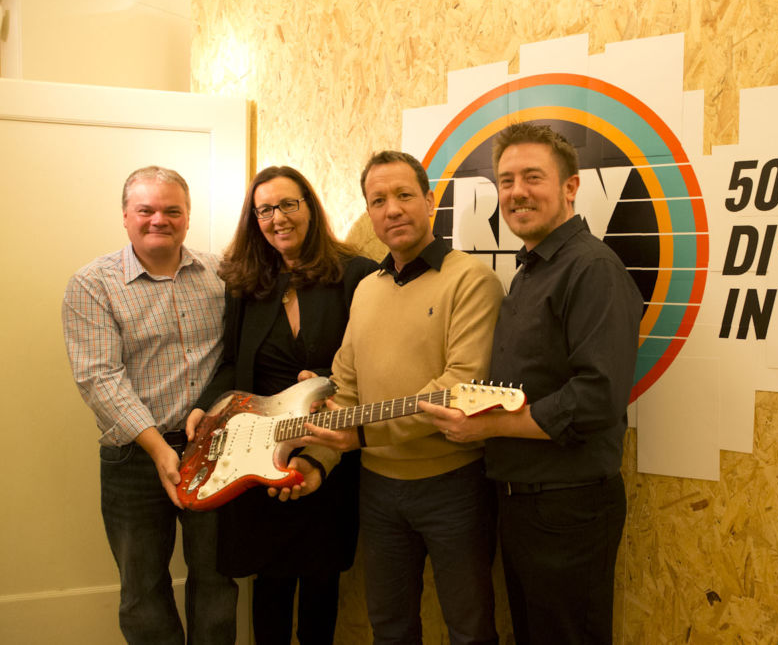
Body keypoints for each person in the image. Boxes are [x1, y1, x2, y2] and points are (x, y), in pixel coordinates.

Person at [420, 122, 644, 645]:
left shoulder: (591, 269)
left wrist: (489, 428)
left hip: (568, 507)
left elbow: (596, 398)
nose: (516, 191)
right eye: (506, 180)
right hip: (523, 504)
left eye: (533, 177)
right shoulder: (532, 270)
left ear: (571, 187)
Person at [302, 151, 504, 645]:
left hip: (454, 485)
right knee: (389, 628)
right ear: (369, 214)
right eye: (378, 200)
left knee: (470, 628)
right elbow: (345, 385)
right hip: (376, 490)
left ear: (430, 201)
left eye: (404, 195)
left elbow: (458, 386)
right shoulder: (366, 289)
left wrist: (363, 433)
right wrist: (318, 458)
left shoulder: (471, 280)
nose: (392, 209)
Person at [186, 166, 377, 644]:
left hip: (324, 453)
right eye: (265, 209)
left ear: (309, 208)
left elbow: (372, 363)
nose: (277, 218)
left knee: (320, 585)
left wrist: (330, 385)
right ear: (255, 219)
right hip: (258, 454)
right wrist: (207, 406)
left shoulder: (355, 275)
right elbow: (232, 363)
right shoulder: (247, 282)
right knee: (268, 589)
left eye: (288, 205)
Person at [61, 166, 238, 644]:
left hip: (216, 452)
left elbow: (236, 356)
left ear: (187, 217)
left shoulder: (221, 274)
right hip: (134, 459)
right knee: (142, 590)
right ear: (125, 216)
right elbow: (99, 378)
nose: (159, 219)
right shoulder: (92, 285)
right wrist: (160, 448)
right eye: (146, 209)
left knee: (217, 580)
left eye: (171, 210)